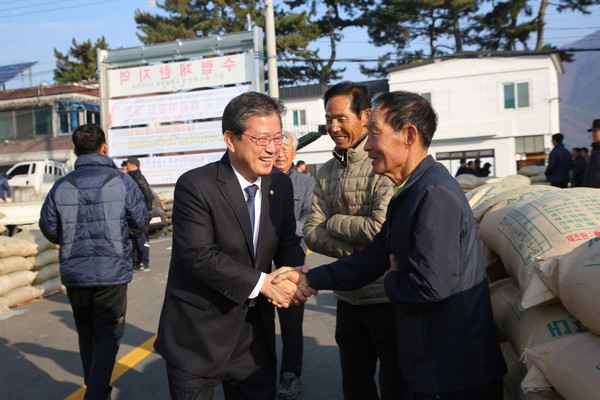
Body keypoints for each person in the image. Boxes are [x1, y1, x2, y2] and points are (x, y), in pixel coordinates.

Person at [277, 91, 507, 399]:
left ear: (409, 135)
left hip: (452, 372)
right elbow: (374, 255)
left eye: (374, 134)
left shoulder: (432, 194)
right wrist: (306, 277)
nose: (368, 145)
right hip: (432, 363)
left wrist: (394, 277)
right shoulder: (410, 191)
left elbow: (429, 288)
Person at [153, 91, 305, 400]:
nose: (273, 150)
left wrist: (293, 274)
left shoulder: (281, 184)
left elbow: (287, 240)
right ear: (231, 139)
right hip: (197, 335)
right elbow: (201, 257)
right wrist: (265, 284)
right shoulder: (197, 185)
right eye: (262, 140)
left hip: (253, 338)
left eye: (277, 139)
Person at [302, 82, 404, 400]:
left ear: (364, 115)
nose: (334, 127)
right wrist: (352, 250)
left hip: (386, 299)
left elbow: (380, 229)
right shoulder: (326, 172)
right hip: (347, 300)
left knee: (395, 385)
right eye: (329, 119)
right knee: (355, 385)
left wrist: (334, 222)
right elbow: (310, 232)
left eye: (341, 118)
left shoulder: (383, 165)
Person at [39, 124, 148, 400]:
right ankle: (97, 392)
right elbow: (140, 221)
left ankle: (95, 386)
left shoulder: (62, 185)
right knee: (109, 333)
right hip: (112, 271)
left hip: (75, 272)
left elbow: (49, 227)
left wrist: (71, 240)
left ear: (75, 151)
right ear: (104, 148)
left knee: (86, 332)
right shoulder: (122, 182)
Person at [273, 132, 315, 399]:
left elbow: (310, 216)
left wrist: (283, 231)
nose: (279, 152)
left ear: (294, 152)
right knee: (256, 319)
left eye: (285, 147)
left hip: (291, 253)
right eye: (276, 146)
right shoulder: (260, 177)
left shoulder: (306, 182)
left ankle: (290, 375)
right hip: (261, 257)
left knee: (290, 322)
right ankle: (259, 372)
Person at [125, 157, 154, 272]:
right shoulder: (130, 178)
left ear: (132, 165)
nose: (126, 167)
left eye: (127, 165)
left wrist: (146, 211)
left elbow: (149, 195)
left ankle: (144, 262)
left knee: (142, 239)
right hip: (134, 214)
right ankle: (136, 262)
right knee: (135, 240)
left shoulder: (138, 178)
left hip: (141, 214)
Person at [583, 119, 600, 188]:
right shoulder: (595, 149)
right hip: (591, 191)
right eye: (592, 132)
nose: (593, 134)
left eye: (596, 131)